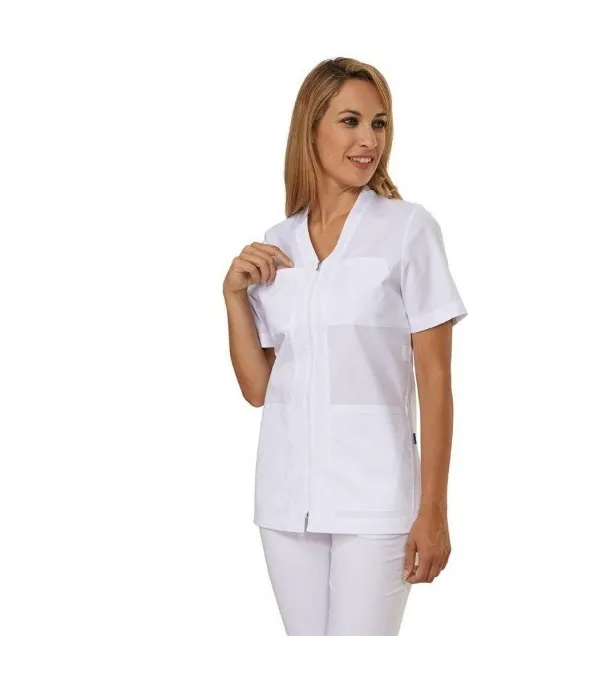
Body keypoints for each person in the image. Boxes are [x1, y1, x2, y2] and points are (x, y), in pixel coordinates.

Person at [222, 57, 468, 639]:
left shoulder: (408, 229)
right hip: (286, 500)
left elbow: (435, 379)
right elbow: (259, 389)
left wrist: (433, 509)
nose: (369, 140)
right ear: (311, 129)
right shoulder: (279, 245)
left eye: (379, 123)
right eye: (351, 121)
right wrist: (233, 297)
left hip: (376, 499)